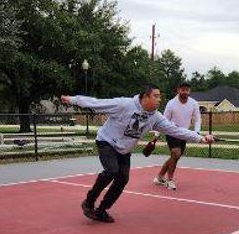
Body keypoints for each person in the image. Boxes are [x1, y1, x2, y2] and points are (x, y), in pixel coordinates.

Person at [61, 85, 214, 223]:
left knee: (122, 179)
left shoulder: (155, 117)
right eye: (156, 96)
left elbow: (176, 130)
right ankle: (88, 202)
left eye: (160, 96)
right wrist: (72, 99)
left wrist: (200, 138)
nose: (159, 99)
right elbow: (97, 103)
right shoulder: (124, 104)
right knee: (112, 171)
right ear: (145, 97)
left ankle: (101, 211)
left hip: (124, 149)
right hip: (107, 141)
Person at [153, 82, 201, 190]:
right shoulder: (171, 103)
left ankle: (160, 177)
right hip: (172, 132)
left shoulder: (194, 103)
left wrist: (197, 132)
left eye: (187, 90)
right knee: (176, 153)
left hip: (184, 134)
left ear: (189, 91)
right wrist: (157, 134)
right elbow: (163, 120)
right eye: (182, 90)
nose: (185, 92)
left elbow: (198, 119)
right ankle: (169, 180)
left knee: (175, 157)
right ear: (178, 90)